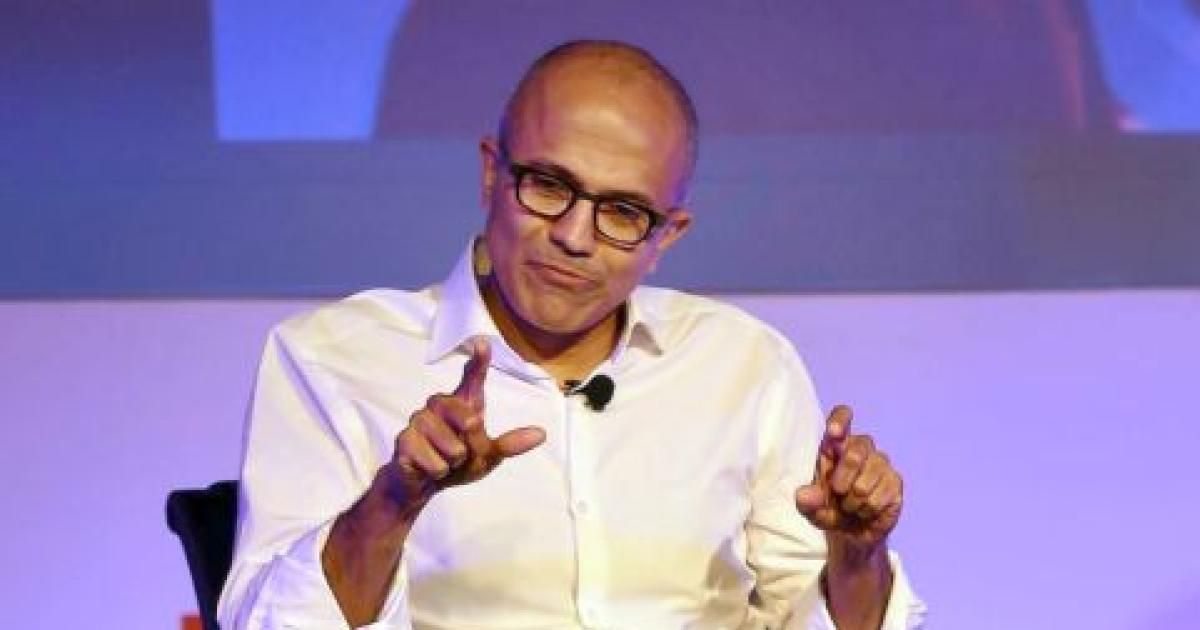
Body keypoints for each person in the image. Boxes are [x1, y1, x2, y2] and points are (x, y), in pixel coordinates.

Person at [218, 40, 926, 629]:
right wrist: (393, 502)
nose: (575, 237)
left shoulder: (745, 364)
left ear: (667, 236)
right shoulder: (333, 359)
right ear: (491, 173)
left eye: (622, 212)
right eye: (550, 186)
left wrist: (857, 558)